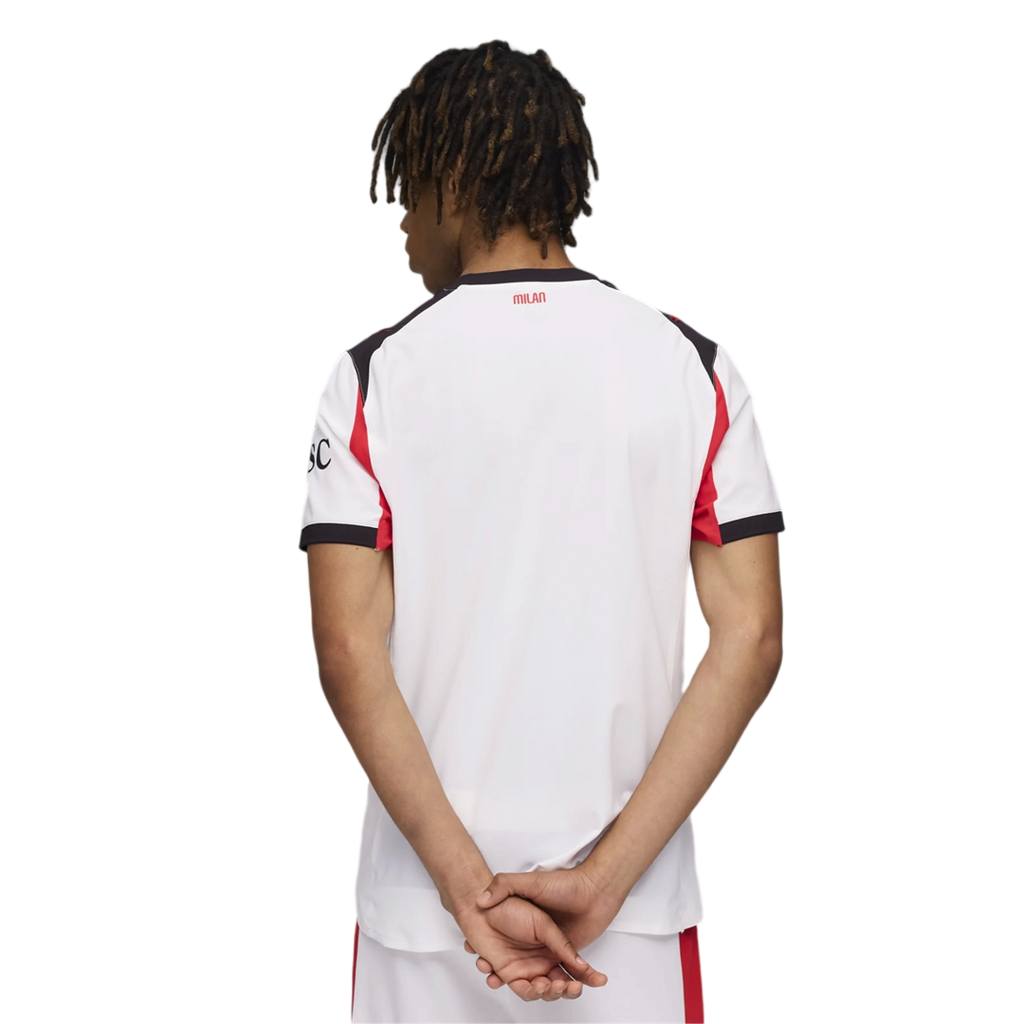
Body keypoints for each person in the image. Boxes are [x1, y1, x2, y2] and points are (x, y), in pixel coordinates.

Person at [297, 37, 786, 1023]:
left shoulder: (369, 376)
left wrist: (466, 890)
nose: (401, 229)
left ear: (451, 176)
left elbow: (346, 646)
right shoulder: (695, 365)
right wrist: (604, 881)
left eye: (404, 197)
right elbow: (752, 635)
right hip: (630, 923)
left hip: (425, 920)